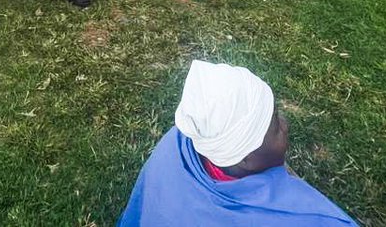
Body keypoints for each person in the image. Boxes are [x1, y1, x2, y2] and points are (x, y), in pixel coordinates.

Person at [118, 59, 357, 226]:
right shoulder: (309, 218)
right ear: (246, 159)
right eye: (275, 125)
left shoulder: (179, 142)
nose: (285, 124)